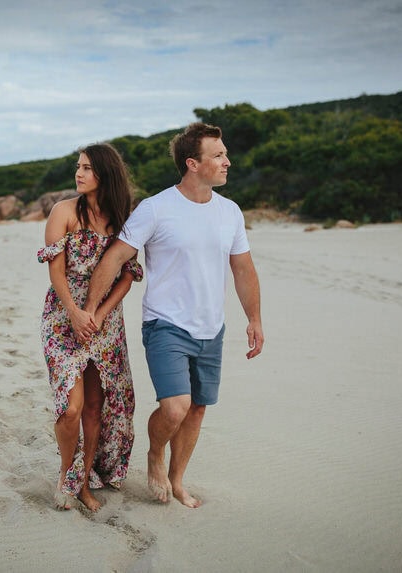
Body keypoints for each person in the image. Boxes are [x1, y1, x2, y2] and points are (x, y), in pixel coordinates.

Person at [80, 122, 264, 508]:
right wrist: (91, 309)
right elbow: (115, 257)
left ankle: (178, 480)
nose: (227, 161)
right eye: (219, 155)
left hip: (211, 328)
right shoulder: (157, 208)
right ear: (192, 163)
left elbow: (243, 269)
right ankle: (154, 455)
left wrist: (255, 319)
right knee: (175, 407)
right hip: (166, 324)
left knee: (196, 410)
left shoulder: (229, 212)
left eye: (225, 153)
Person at [37, 143, 143, 511]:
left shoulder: (122, 218)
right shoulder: (62, 211)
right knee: (71, 407)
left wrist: (98, 314)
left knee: (96, 407)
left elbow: (128, 275)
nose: (78, 174)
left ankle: (84, 485)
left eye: (86, 168)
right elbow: (55, 271)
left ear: (105, 173)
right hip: (63, 318)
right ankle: (66, 476)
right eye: (77, 167)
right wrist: (75, 312)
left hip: (106, 322)